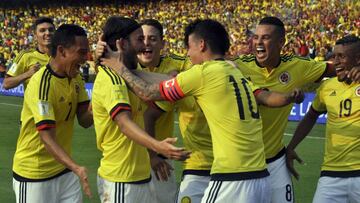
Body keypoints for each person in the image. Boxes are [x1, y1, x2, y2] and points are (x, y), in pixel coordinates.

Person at [100, 19, 305, 203]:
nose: (188, 54)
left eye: (189, 47)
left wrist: (120, 69)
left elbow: (146, 93)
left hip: (232, 175)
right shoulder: (234, 72)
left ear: (202, 45)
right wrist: (289, 97)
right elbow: (169, 81)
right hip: (259, 175)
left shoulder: (203, 74)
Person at [234, 16, 360, 203]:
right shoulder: (237, 67)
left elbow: (337, 68)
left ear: (281, 42)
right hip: (241, 161)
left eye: (265, 37)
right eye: (256, 37)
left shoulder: (298, 66)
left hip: (276, 159)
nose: (258, 42)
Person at [92, 16, 190, 203]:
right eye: (138, 39)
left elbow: (166, 83)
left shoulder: (126, 74)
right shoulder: (112, 80)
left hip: (137, 177)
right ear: (122, 44)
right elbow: (124, 123)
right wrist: (157, 146)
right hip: (121, 180)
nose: (142, 45)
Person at [12, 24, 93, 203]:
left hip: (64, 170)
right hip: (35, 174)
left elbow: (85, 120)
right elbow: (47, 137)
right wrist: (76, 168)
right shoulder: (42, 83)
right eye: (81, 52)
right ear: (62, 51)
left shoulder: (76, 78)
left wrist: (100, 100)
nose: (85, 58)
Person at [286, 35, 360, 203]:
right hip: (331, 174)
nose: (336, 61)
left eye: (342, 56)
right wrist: (291, 146)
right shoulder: (327, 87)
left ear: (358, 59)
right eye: (334, 56)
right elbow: (311, 116)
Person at [3, 17, 55, 90]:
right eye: (42, 30)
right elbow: (6, 84)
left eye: (51, 30)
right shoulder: (26, 55)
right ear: (35, 36)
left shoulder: (62, 56)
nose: (48, 33)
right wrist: (27, 74)